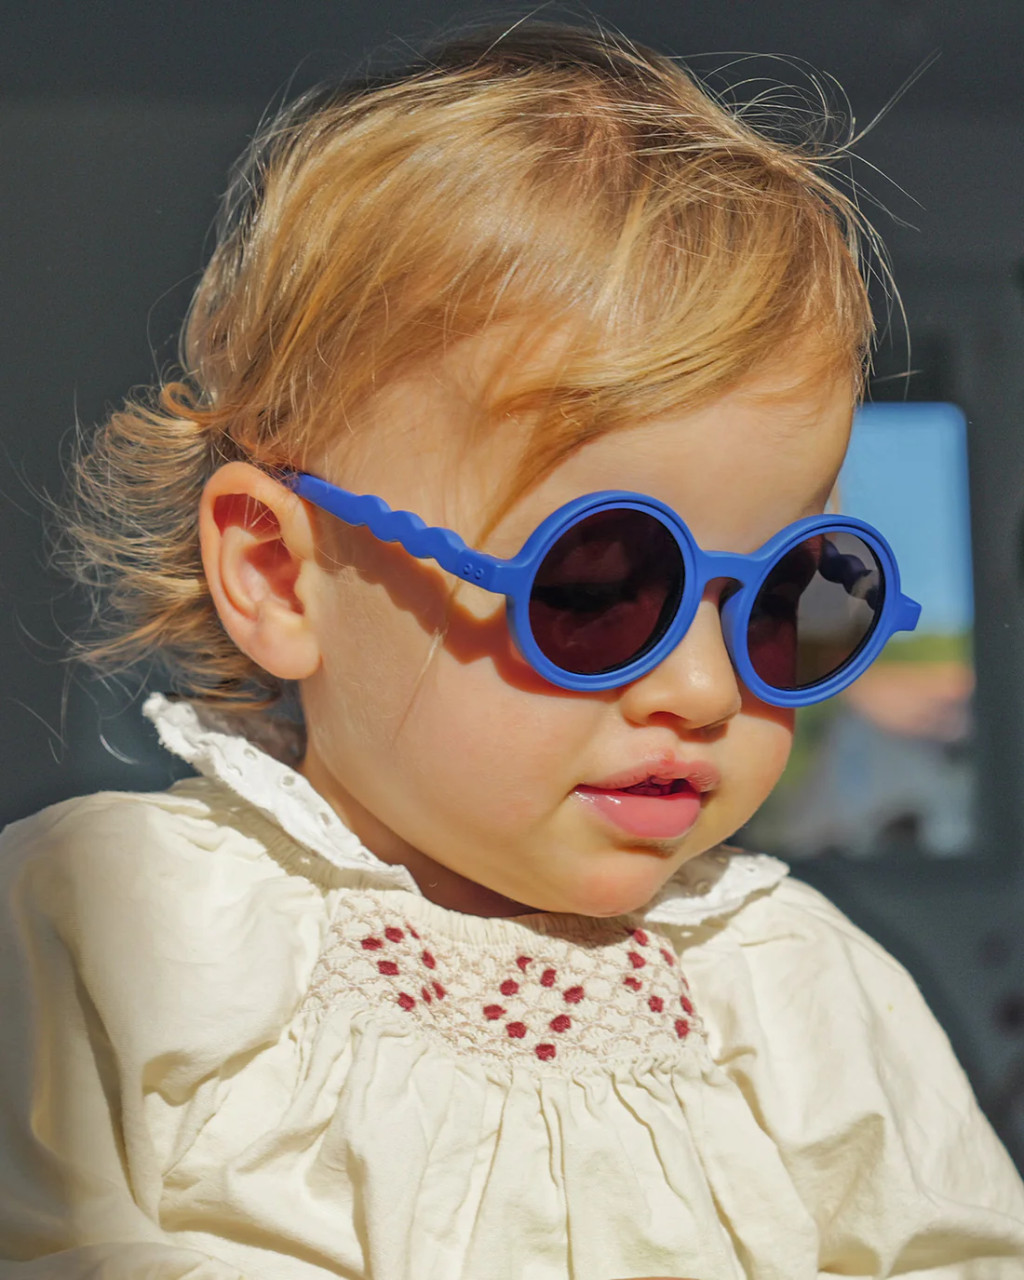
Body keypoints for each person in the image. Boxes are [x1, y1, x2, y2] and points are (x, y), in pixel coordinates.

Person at [1, 22, 1022, 1280]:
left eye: (787, 599)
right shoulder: (112, 921)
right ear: (279, 574)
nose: (704, 687)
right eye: (595, 587)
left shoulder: (799, 990)